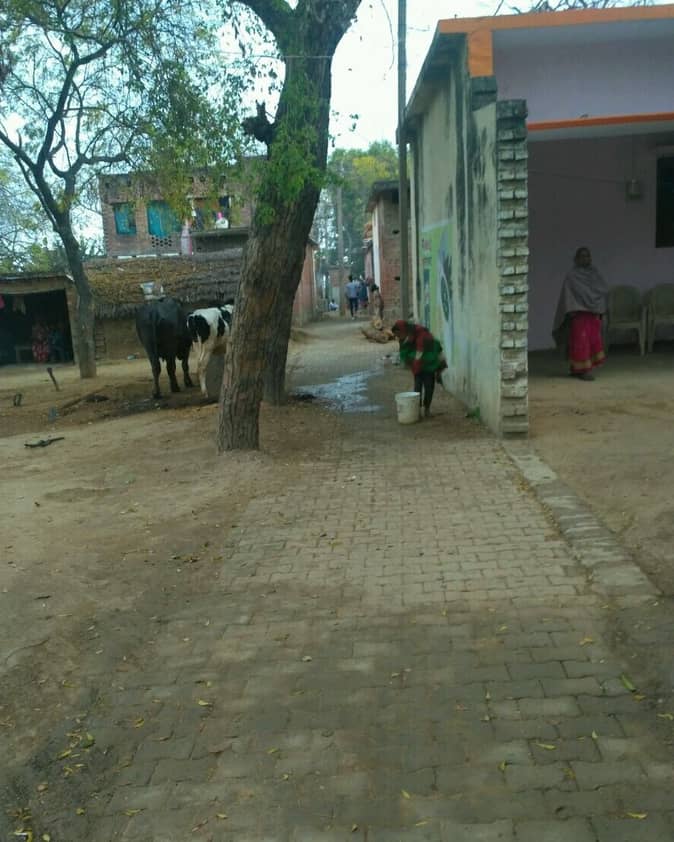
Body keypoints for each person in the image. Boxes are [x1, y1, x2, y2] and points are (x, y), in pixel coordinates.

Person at [552, 246, 609, 381]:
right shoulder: (572, 276)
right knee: (580, 342)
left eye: (588, 256)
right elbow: (567, 295)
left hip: (593, 314)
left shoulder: (595, 274)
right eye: (582, 256)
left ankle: (576, 369)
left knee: (592, 341)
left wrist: (599, 307)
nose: (585, 258)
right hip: (579, 315)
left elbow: (603, 290)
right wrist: (571, 309)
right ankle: (583, 370)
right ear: (576, 259)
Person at [391, 320, 447, 417]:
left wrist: (416, 364)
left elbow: (421, 350)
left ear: (403, 330)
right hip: (418, 365)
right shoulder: (406, 337)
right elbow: (404, 352)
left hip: (428, 364)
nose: (398, 337)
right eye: (396, 335)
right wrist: (413, 365)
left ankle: (427, 410)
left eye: (398, 334)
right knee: (417, 389)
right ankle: (416, 410)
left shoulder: (421, 333)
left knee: (429, 387)